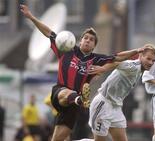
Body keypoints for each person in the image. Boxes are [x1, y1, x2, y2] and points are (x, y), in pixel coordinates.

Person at [20, 4, 145, 141]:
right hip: (60, 93)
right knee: (65, 92)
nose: (88, 41)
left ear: (94, 45)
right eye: (86, 38)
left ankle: (79, 99)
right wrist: (31, 16)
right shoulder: (67, 49)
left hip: (74, 107)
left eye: (91, 40)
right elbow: (48, 32)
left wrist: (136, 51)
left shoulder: (96, 59)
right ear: (80, 41)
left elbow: (117, 57)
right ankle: (79, 98)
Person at [87, 44, 155, 141]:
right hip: (103, 104)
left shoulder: (141, 71)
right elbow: (117, 62)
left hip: (116, 108)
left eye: (153, 60)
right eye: (148, 59)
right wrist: (102, 69)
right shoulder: (134, 66)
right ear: (141, 56)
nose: (151, 62)